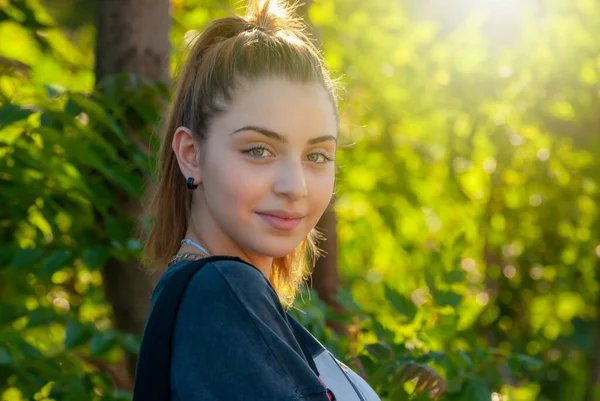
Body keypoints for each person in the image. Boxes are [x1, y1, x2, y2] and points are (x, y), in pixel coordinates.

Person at [135, 0, 381, 399]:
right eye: (258, 150)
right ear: (191, 154)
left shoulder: (212, 297)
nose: (295, 186)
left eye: (317, 155)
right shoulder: (220, 290)